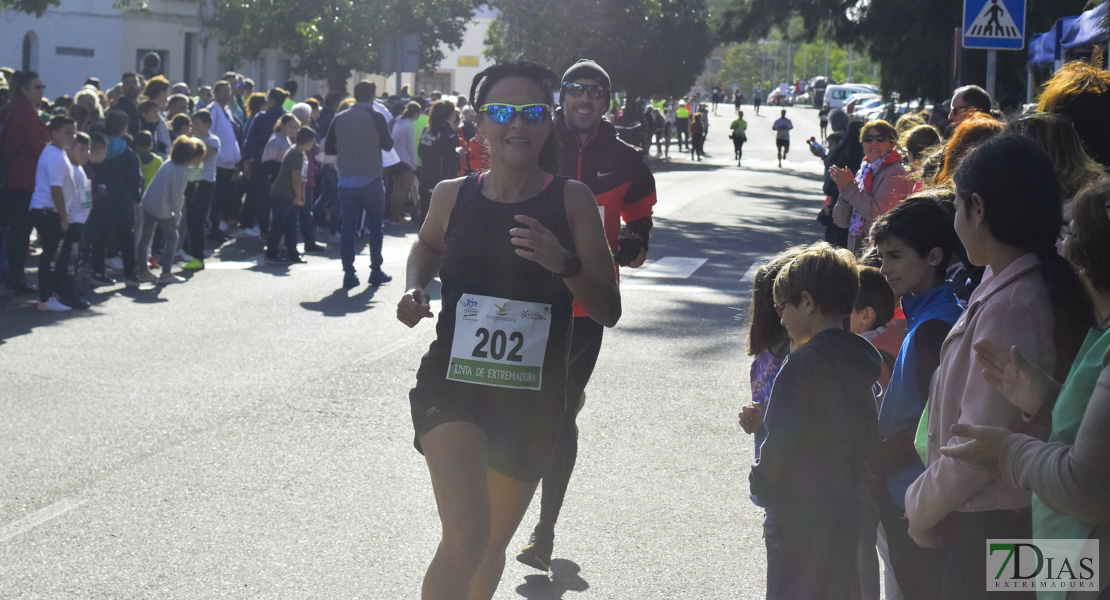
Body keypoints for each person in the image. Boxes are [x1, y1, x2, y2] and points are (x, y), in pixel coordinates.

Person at [396, 58, 619, 600]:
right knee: (468, 532)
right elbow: (427, 245)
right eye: (501, 111)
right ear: (480, 122)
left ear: (548, 123)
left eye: (531, 112)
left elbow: (608, 308)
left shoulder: (572, 201)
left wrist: (562, 262)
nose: (516, 123)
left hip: (531, 400)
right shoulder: (453, 194)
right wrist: (415, 287)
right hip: (453, 385)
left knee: (490, 544)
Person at [905, 136, 1093, 599]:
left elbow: (977, 446)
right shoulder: (1013, 282)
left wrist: (918, 508)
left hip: (996, 527)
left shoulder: (1011, 304)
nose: (954, 221)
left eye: (956, 206)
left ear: (979, 210)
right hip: (1015, 520)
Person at [938, 177, 1110, 600]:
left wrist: (1008, 451)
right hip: (1067, 552)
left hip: (1087, 561)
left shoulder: (1013, 300)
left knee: (979, 584)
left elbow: (1087, 485)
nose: (1062, 244)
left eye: (1070, 233)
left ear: (1088, 258)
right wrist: (1047, 399)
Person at [516, 58, 656, 572]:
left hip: (584, 303)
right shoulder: (532, 138)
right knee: (509, 401)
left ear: (607, 102)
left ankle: (544, 531)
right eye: (577, 89)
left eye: (596, 92)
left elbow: (640, 227)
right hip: (522, 297)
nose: (585, 99)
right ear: (563, 96)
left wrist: (635, 244)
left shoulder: (627, 161)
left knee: (559, 409)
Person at [749, 242, 881, 599]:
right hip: (844, 509)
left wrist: (760, 484)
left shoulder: (802, 365)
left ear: (807, 302)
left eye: (782, 307)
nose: (780, 318)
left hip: (797, 517)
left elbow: (779, 444)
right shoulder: (861, 359)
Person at [866, 194, 963, 599]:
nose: (884, 268)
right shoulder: (928, 313)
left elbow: (935, 426)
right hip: (909, 491)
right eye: (881, 256)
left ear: (934, 256)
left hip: (913, 496)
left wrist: (878, 460)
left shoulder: (933, 328)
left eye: (895, 256)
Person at [323, 80, 394, 289]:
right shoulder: (376, 116)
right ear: (373, 96)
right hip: (371, 178)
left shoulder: (340, 117)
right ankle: (375, 271)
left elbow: (329, 148)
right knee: (375, 227)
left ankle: (349, 274)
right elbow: (388, 145)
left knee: (348, 228)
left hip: (346, 180)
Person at [738, 249, 798, 461]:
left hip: (768, 473)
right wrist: (762, 422)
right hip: (788, 474)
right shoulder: (794, 360)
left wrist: (757, 419)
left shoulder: (764, 356)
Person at [830, 119, 913, 254]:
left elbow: (877, 215)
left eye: (881, 138)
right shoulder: (864, 170)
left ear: (892, 143)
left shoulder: (895, 172)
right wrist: (845, 194)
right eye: (868, 138)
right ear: (862, 143)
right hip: (858, 250)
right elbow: (841, 221)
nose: (874, 143)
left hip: (881, 252)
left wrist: (850, 188)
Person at [1, 70, 51, 293]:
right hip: (25, 179)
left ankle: (15, 276)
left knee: (18, 232)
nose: (41, 91)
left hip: (18, 178)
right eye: (37, 87)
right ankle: (17, 278)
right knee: (21, 233)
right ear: (24, 89)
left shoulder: (16, 108)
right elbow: (37, 146)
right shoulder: (26, 113)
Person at [27, 116, 78, 311]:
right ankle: (46, 298)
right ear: (53, 133)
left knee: (50, 255)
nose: (71, 137)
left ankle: (49, 296)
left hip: (48, 210)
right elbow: (55, 189)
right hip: (48, 211)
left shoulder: (58, 153)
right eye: (67, 132)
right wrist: (64, 216)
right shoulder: (55, 155)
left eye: (73, 132)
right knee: (49, 256)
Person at [135, 136, 202, 285]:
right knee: (172, 237)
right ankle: (166, 273)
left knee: (145, 238)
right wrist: (177, 217)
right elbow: (177, 196)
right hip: (162, 208)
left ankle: (143, 271)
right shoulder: (181, 170)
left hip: (148, 203)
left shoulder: (168, 163)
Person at [89, 109, 142, 287]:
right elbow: (135, 178)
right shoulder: (127, 152)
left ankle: (98, 271)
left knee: (101, 237)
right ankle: (129, 274)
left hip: (101, 198)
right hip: (122, 200)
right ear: (124, 128)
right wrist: (137, 195)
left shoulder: (98, 149)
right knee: (126, 238)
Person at [265, 127, 316, 265]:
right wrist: (299, 196)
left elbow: (302, 178)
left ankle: (292, 252)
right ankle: (271, 252)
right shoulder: (296, 154)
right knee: (279, 224)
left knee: (290, 225)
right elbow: (295, 178)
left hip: (290, 194)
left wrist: (301, 194)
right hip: (283, 194)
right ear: (308, 141)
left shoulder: (301, 154)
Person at [181, 109, 220, 270]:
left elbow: (200, 158)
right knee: (190, 220)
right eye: (192, 124)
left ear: (207, 124)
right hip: (190, 182)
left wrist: (191, 144)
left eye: (197, 124)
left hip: (205, 183)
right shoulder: (191, 140)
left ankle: (198, 256)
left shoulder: (212, 140)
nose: (193, 127)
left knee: (198, 220)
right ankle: (192, 254)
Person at [206, 80, 243, 240]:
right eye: (223, 91)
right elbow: (209, 134)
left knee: (223, 197)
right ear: (215, 93)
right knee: (216, 197)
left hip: (228, 162)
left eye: (228, 91)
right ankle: (213, 227)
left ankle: (217, 226)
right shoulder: (212, 111)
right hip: (218, 163)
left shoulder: (227, 110)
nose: (227, 94)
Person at [417, 99, 463, 224]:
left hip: (425, 175)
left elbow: (421, 151)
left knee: (425, 213)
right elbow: (449, 157)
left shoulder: (428, 129)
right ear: (451, 114)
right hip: (441, 178)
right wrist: (457, 153)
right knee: (441, 216)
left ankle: (423, 241)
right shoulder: (448, 132)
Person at [389, 101, 420, 224]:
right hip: (405, 161)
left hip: (395, 160)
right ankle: (398, 217)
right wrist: (414, 163)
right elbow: (411, 148)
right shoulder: (409, 126)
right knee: (403, 190)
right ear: (416, 113)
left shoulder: (398, 123)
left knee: (396, 190)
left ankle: (393, 216)